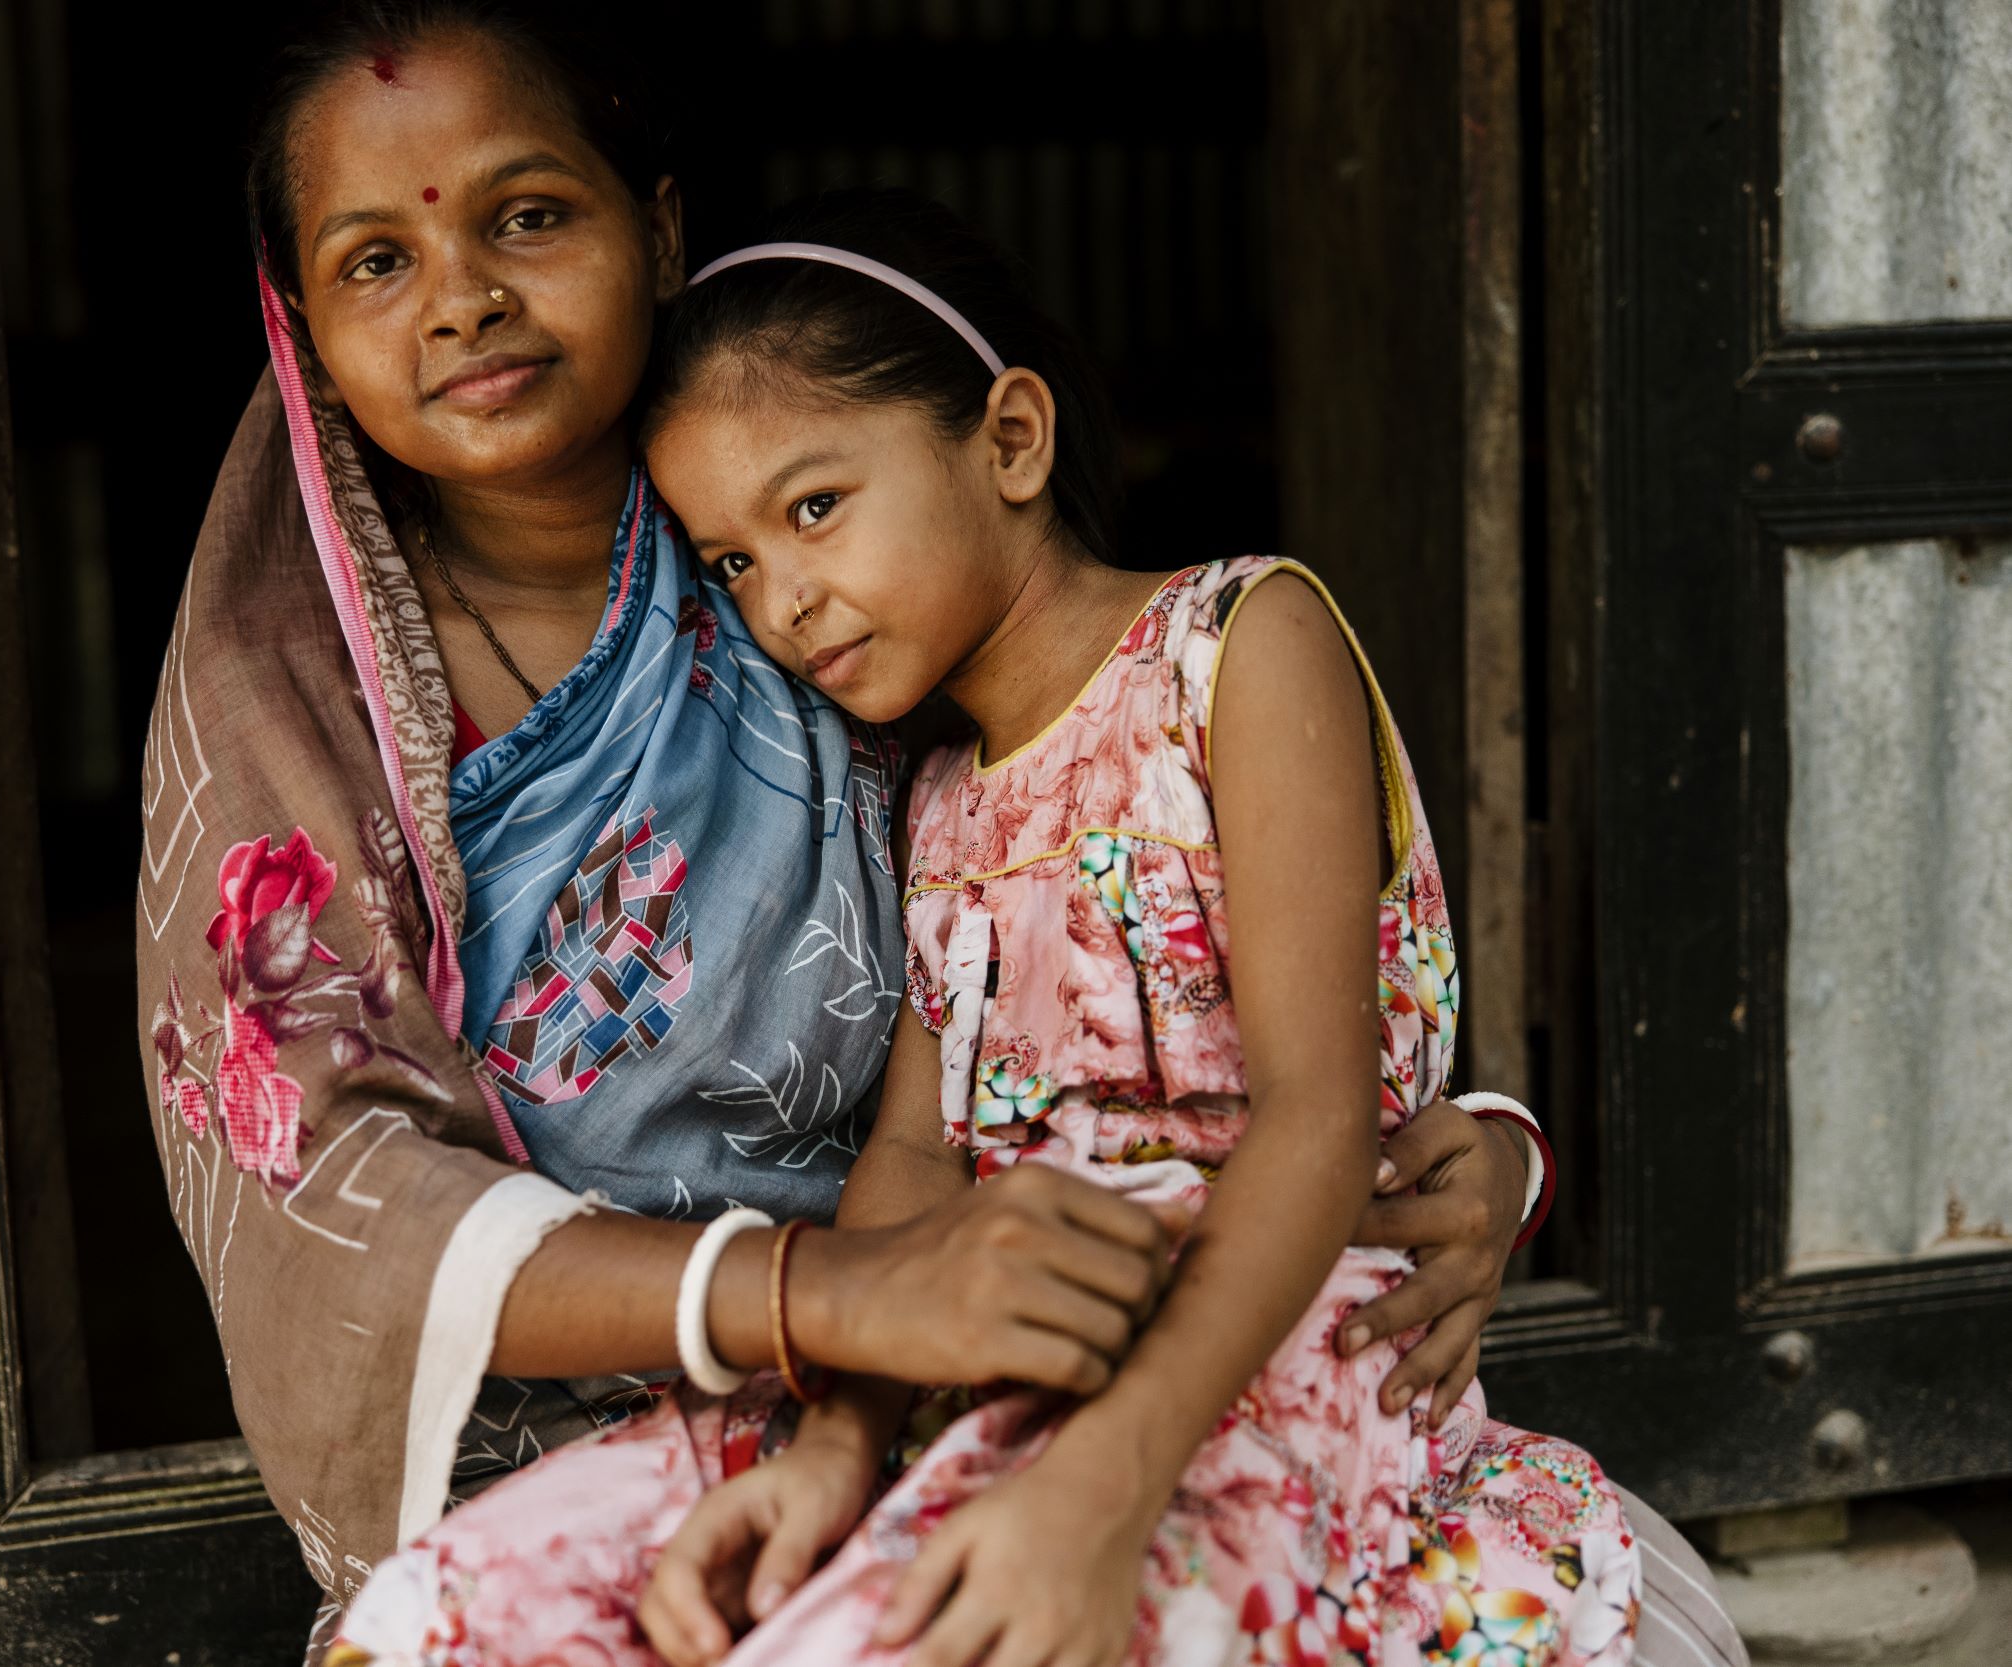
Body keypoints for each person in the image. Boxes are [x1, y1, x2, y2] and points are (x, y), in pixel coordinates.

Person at [134, 8, 1745, 1666]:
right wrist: (834, 1353)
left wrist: (1481, 1140)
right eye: (374, 261)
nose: (465, 296)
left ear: (658, 227)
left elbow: (1240, 1035)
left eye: (527, 214)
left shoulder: (924, 614)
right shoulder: (319, 693)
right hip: (746, 1388)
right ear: (303, 328)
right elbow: (339, 1191)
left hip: (1083, 1349)